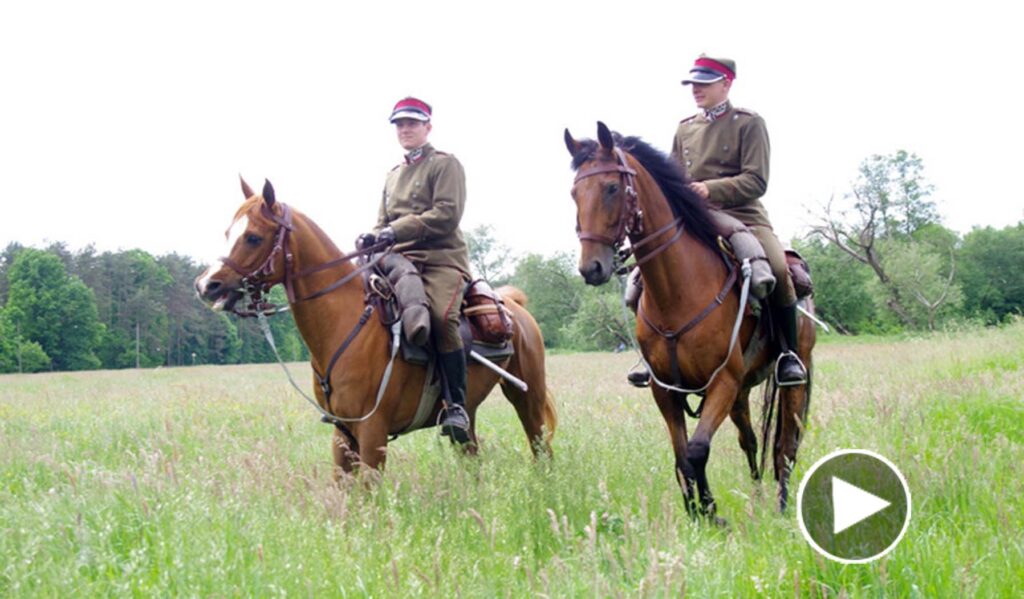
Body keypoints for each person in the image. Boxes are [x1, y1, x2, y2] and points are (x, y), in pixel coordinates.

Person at [671, 55, 806, 385]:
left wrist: (709, 188)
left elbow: (757, 180)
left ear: (726, 84)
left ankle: (788, 353)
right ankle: (654, 352)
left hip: (743, 215)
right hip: (696, 218)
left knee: (775, 267)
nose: (696, 90)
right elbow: (672, 178)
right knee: (646, 273)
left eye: (704, 83)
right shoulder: (685, 128)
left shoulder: (749, 122)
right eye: (693, 84)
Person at [356, 96, 473, 441]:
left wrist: (396, 230)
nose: (405, 129)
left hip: (440, 259)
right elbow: (382, 222)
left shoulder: (445, 164)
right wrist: (372, 238)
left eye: (412, 123)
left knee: (440, 317)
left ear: (427, 127)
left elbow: (447, 214)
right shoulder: (392, 176)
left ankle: (456, 406)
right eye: (400, 124)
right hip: (396, 262)